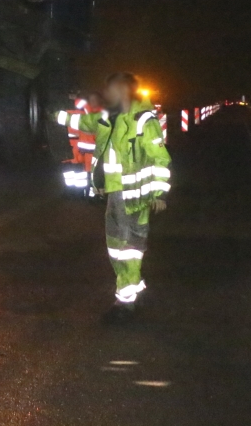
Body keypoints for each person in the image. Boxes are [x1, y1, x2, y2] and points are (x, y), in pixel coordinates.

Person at [96, 73, 171, 320]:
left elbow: (159, 157)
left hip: (135, 197)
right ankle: (130, 290)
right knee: (116, 248)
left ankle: (125, 303)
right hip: (115, 195)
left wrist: (159, 192)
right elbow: (100, 145)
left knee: (129, 249)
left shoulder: (143, 119)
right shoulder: (112, 117)